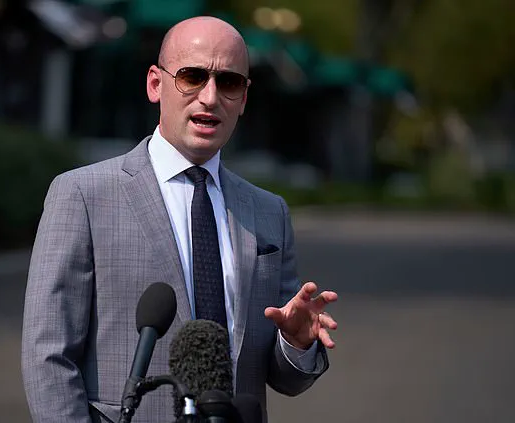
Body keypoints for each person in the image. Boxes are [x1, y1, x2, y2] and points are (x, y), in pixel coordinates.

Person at [22, 16, 338, 423]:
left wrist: (296, 342)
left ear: (244, 98)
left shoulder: (268, 211)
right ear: (156, 84)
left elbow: (284, 377)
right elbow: (47, 355)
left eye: (228, 82)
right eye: (192, 77)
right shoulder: (82, 195)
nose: (210, 97)